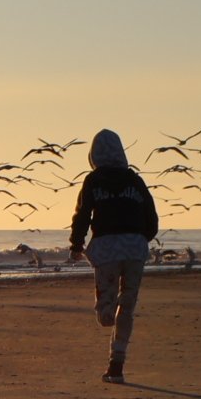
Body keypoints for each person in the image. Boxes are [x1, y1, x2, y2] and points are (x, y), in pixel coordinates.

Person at [68, 128, 159, 384]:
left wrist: (76, 243)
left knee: (106, 313)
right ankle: (116, 363)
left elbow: (83, 213)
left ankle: (115, 361)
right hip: (134, 248)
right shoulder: (135, 180)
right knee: (126, 309)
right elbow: (151, 214)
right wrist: (142, 237)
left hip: (107, 248)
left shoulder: (93, 181)